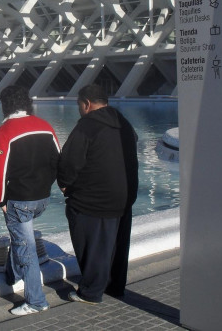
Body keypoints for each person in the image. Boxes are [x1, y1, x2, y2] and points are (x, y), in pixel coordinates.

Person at [57, 84, 138, 304]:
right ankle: (115, 286)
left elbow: (69, 161)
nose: (79, 110)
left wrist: (64, 184)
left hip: (93, 200)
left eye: (79, 106)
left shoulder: (87, 126)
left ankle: (91, 292)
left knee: (91, 245)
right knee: (117, 246)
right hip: (124, 197)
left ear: (86, 104)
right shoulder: (124, 123)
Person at [0, 85, 60, 315]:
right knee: (21, 237)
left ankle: (36, 301)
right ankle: (11, 274)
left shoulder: (5, 130)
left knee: (26, 249)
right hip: (42, 198)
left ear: (5, 105)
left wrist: (0, 200)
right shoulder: (45, 126)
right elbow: (58, 161)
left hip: (20, 200)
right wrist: (47, 186)